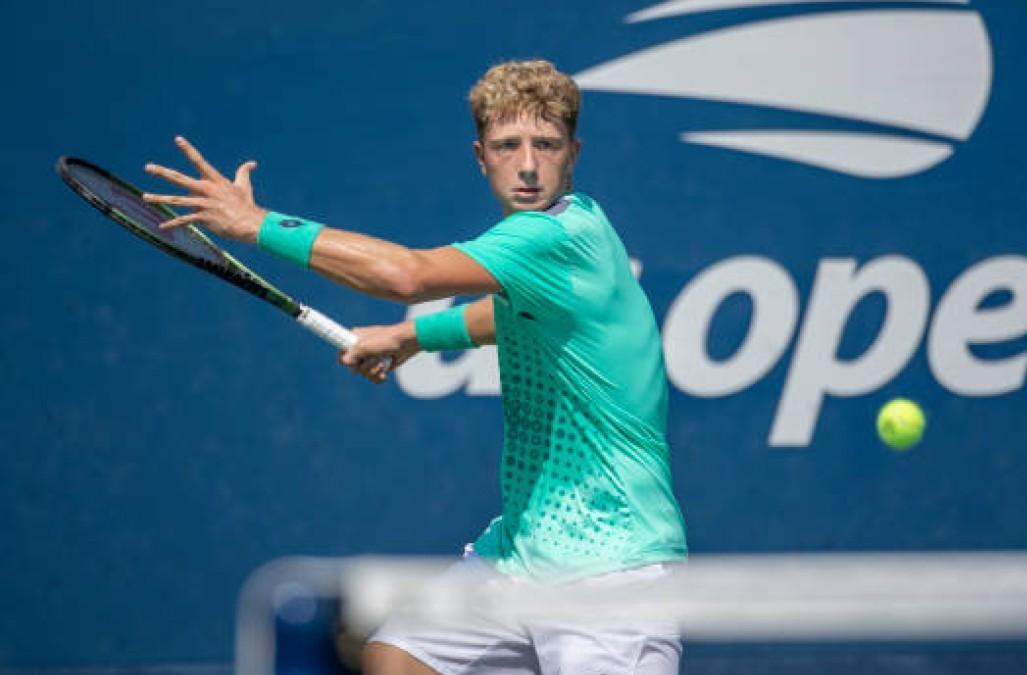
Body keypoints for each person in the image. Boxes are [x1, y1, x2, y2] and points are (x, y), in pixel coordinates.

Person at [144, 59, 688, 674]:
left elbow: (408, 275)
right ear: (481, 157)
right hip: (520, 553)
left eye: (547, 145)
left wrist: (257, 225)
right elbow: (507, 315)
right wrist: (413, 337)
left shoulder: (555, 236)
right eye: (510, 147)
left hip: (610, 565)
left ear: (574, 153)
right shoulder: (567, 241)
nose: (530, 164)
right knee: (398, 659)